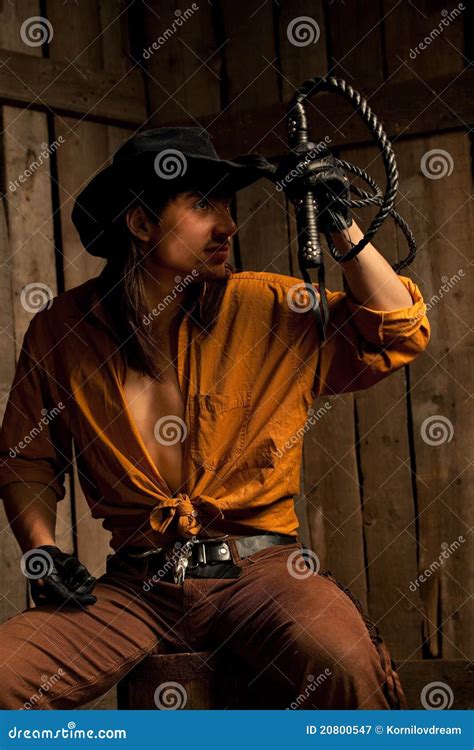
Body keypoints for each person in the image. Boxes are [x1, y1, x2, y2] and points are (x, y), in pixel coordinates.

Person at [0, 127, 429, 710]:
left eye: (227, 205)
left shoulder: (272, 305)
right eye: (203, 205)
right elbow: (28, 458)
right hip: (137, 586)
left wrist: (339, 223)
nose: (227, 226)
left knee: (346, 665)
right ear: (142, 223)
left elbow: (398, 328)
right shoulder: (60, 329)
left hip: (264, 573)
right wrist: (43, 550)